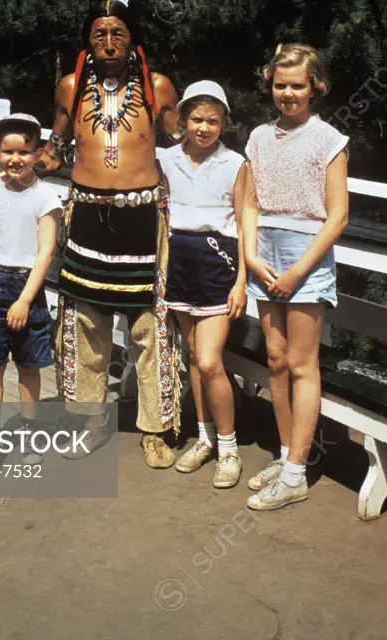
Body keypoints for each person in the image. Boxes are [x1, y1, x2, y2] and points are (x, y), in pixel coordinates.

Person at [0, 0, 181, 468]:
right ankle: (90, 421)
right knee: (85, 324)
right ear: (88, 40)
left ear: (134, 39)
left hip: (141, 220)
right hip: (86, 217)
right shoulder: (70, 87)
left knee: (148, 329)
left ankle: (154, 428)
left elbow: (185, 147)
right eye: (99, 33)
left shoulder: (158, 88)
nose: (109, 43)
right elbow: (52, 152)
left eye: (117, 33)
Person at [242, 43, 349, 511]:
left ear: (315, 87)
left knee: (304, 364)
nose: (288, 94)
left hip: (306, 257)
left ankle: (296, 474)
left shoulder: (330, 140)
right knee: (277, 358)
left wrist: (299, 271)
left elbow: (338, 216)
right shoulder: (259, 138)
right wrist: (250, 257)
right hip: (264, 253)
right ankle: (286, 454)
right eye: (280, 85)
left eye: (297, 86)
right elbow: (248, 204)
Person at [158, 81, 247, 488]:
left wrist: (242, 280)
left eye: (213, 120)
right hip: (178, 261)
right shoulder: (166, 159)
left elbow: (247, 223)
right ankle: (204, 438)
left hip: (219, 262)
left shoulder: (235, 164)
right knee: (192, 356)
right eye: (196, 119)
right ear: (181, 119)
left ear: (225, 122)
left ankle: (229, 449)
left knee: (210, 360)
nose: (204, 127)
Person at [0, 113, 62, 465]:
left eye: (24, 152)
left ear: (36, 153)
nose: (15, 159)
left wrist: (24, 300)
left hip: (26, 288)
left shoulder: (45, 198)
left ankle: (30, 432)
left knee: (28, 366)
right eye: (8, 152)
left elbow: (45, 252)